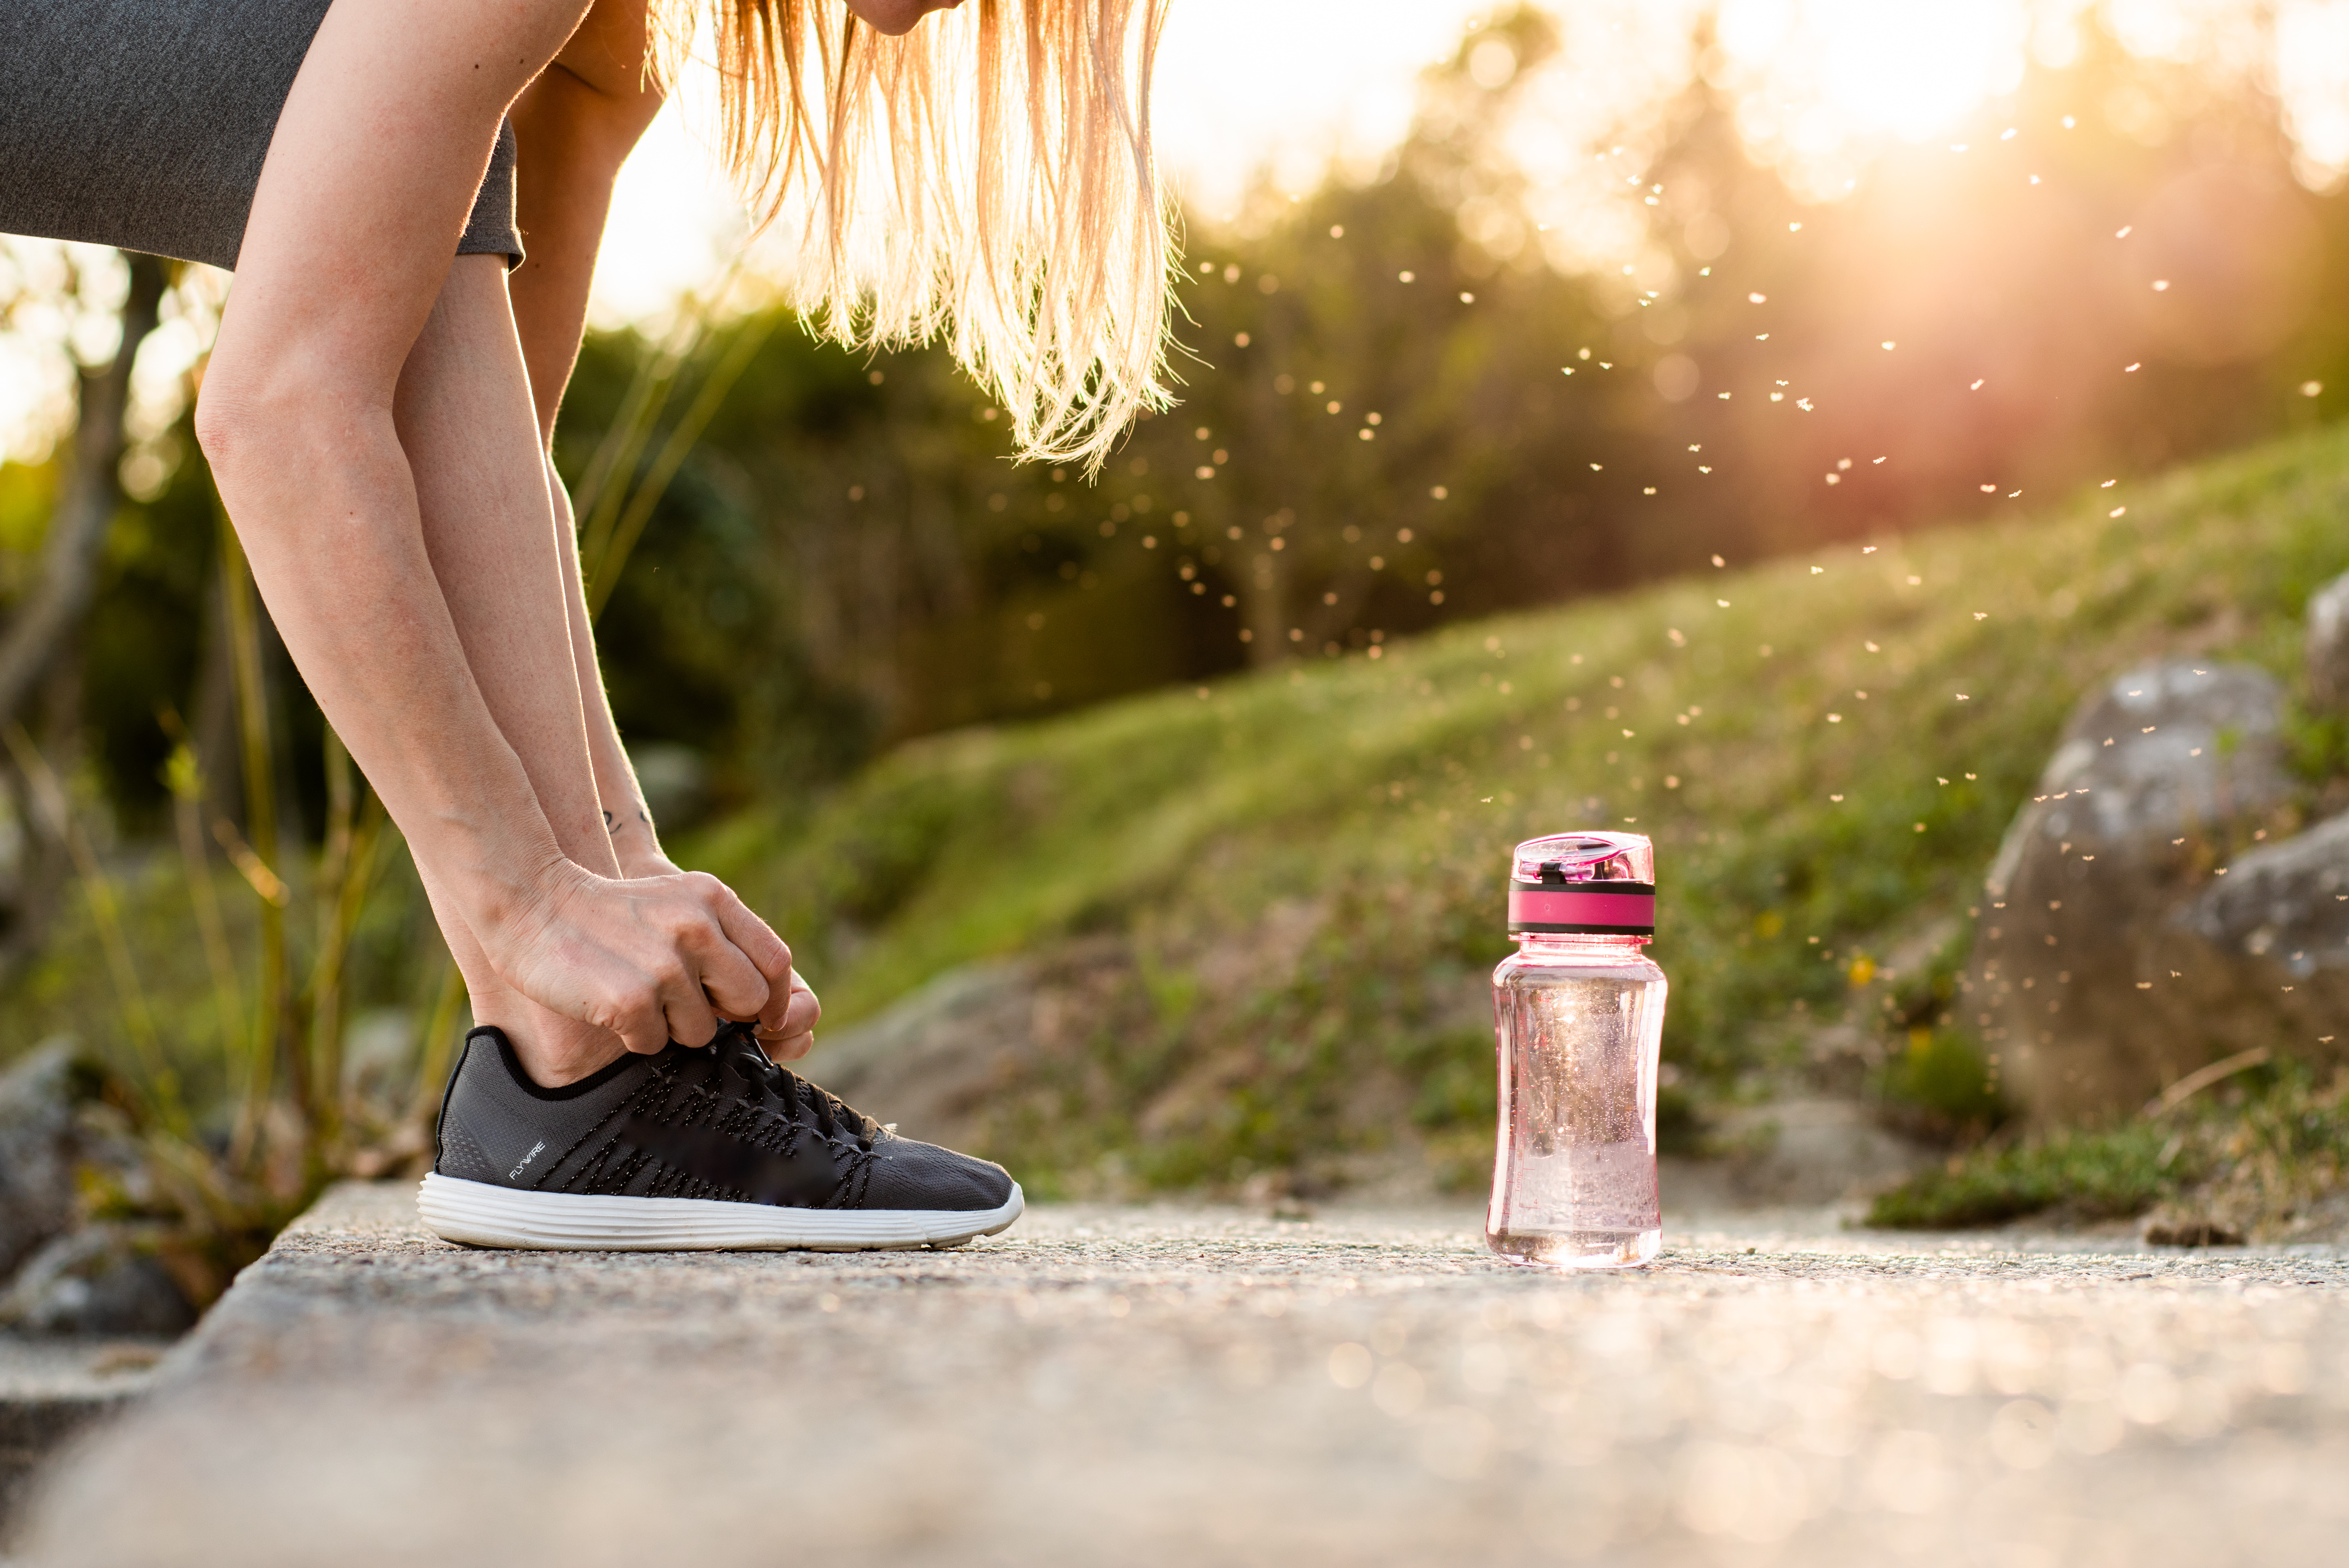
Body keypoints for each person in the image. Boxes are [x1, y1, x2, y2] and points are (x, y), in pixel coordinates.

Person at [0, 0, 1172, 1249]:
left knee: (407, 167)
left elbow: (484, 455)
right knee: (338, 85)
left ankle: (575, 1085)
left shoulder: (607, 54)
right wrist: (528, 904)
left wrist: (621, 873)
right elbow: (283, 409)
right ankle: (565, 1071)